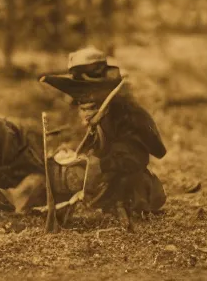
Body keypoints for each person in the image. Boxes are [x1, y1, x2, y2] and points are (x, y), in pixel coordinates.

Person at [41, 47, 167, 230]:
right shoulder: (99, 121)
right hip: (106, 183)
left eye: (89, 105)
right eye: (81, 106)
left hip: (132, 188)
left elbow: (134, 158)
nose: (84, 112)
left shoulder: (127, 116)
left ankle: (124, 210)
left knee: (125, 183)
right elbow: (93, 147)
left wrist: (99, 165)